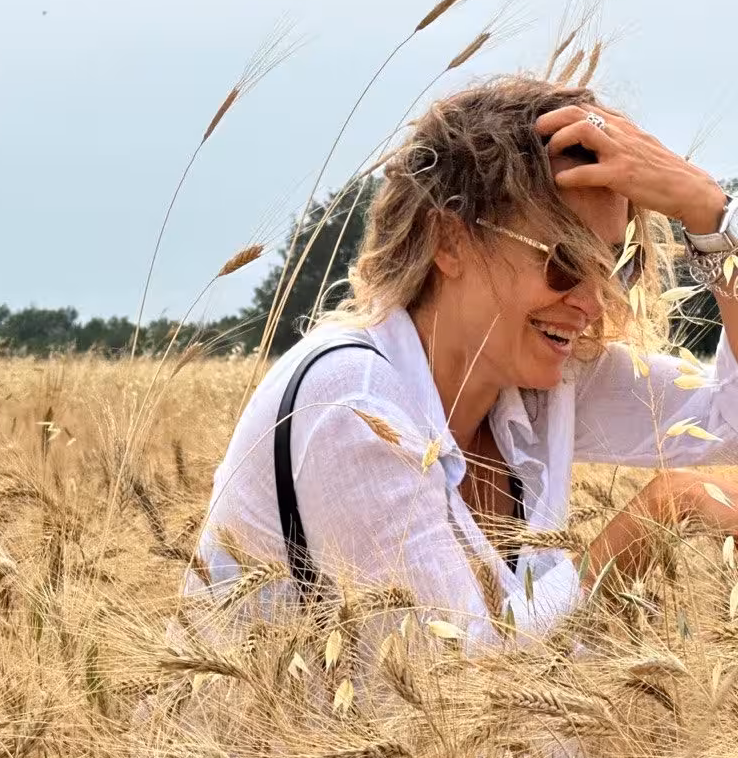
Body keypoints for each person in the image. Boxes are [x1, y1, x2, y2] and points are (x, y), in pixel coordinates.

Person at [185, 76, 738, 648]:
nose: (593, 302)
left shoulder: (535, 380)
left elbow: (731, 417)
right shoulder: (350, 403)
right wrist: (658, 515)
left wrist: (712, 216)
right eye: (566, 260)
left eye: (613, 266)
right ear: (449, 241)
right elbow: (459, 675)